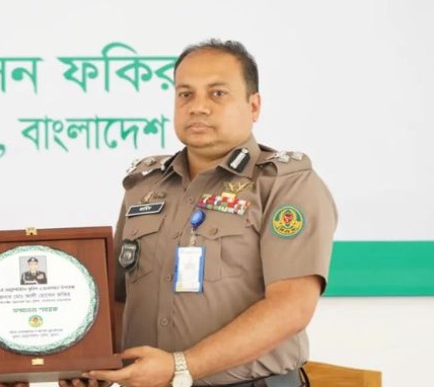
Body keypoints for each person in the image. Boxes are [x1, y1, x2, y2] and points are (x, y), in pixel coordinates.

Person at [81, 40, 337, 387]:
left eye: (217, 93)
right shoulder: (144, 186)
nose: (198, 107)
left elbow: (291, 307)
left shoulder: (285, 185)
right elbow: (117, 298)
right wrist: (93, 362)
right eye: (185, 94)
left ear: (254, 105)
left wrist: (181, 367)